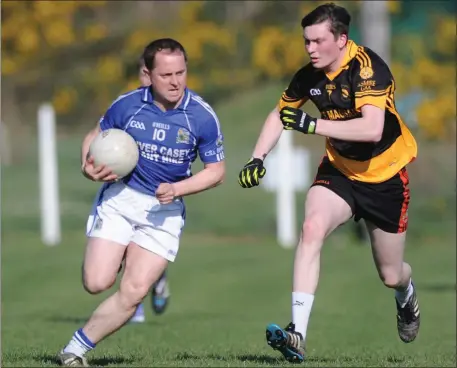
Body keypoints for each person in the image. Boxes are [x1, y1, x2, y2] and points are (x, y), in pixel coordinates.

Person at [238, 3, 420, 363]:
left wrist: (313, 125)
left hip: (385, 178)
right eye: (306, 41)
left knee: (390, 274)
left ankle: (407, 296)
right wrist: (258, 157)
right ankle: (298, 333)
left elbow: (372, 129)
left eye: (318, 41)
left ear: (341, 39)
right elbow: (280, 114)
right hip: (339, 171)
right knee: (311, 228)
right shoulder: (310, 74)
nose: (310, 49)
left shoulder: (368, 69)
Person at [58, 38, 226, 366]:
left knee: (133, 292)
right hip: (122, 199)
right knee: (96, 282)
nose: (176, 81)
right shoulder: (128, 104)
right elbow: (96, 134)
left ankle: (74, 351)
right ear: (148, 75)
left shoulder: (201, 117)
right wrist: (86, 165)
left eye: (181, 72)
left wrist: (179, 189)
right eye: (167, 75)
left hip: (165, 212)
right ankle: (119, 252)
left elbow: (216, 172)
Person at [129, 59, 171, 323]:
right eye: (143, 73)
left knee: (145, 249)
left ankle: (159, 279)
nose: (147, 78)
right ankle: (136, 307)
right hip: (129, 187)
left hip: (160, 192)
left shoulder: (175, 106)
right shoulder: (129, 105)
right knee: (126, 247)